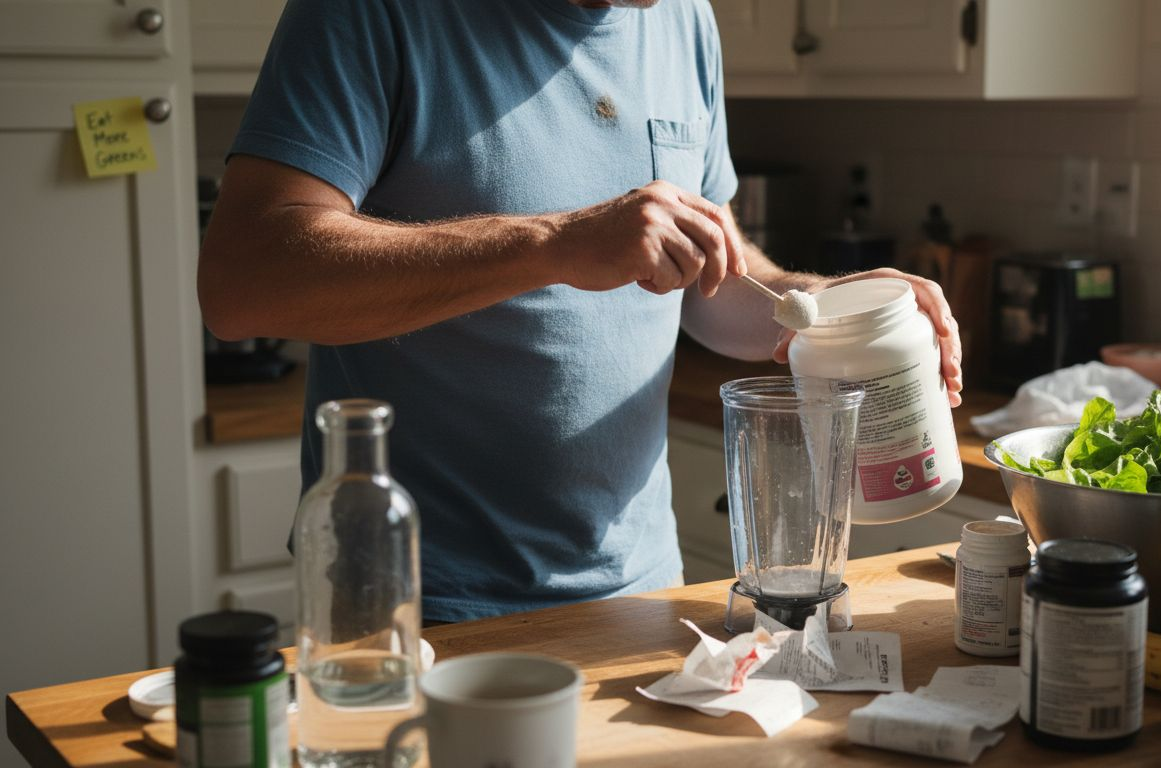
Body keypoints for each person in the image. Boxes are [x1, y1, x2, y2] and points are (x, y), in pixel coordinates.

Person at [198, 0, 963, 623]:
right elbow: (242, 282)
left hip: (642, 592)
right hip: (419, 603)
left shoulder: (683, 19)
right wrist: (554, 244)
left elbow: (716, 281)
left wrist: (829, 308)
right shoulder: (370, 11)